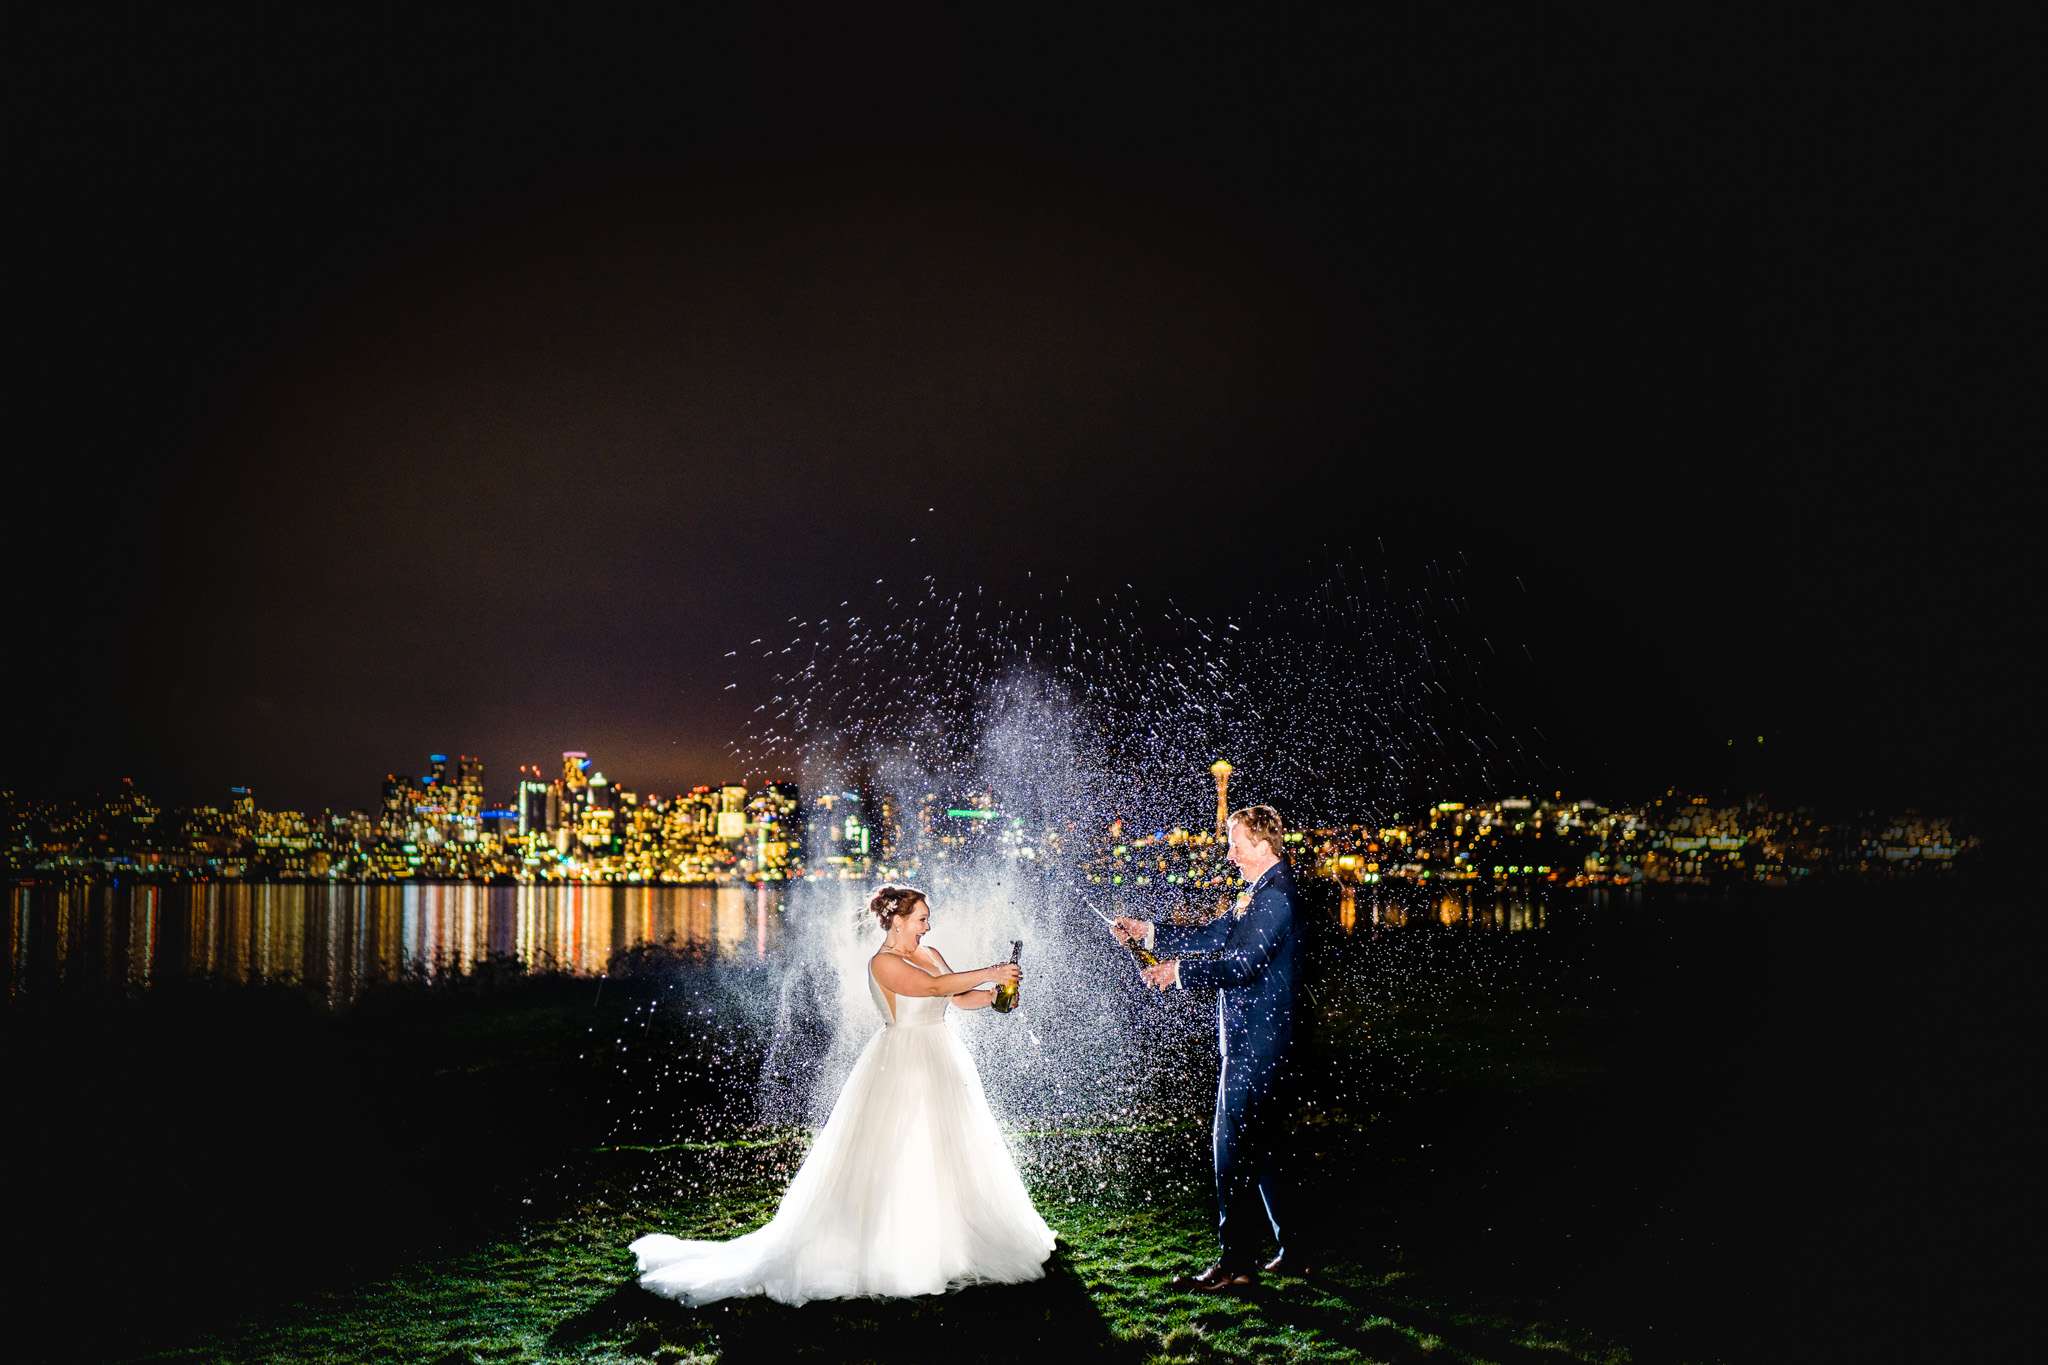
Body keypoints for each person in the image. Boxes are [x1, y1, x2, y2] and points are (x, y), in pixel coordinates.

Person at [631, 885, 1055, 1305]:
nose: (929, 926)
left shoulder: (929, 954)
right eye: (922, 918)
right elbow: (929, 990)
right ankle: (887, 1249)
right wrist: (991, 972)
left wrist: (995, 997)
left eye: (928, 918)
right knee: (894, 1152)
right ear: (897, 920)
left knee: (948, 1149)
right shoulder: (883, 962)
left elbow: (954, 996)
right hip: (902, 1062)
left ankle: (952, 1242)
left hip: (942, 1057)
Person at [1113, 803, 1304, 1291]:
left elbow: (1241, 964)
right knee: (1260, 1147)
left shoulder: (1276, 897)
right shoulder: (1256, 892)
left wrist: (1178, 972)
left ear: (1262, 845)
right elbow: (1213, 935)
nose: (1230, 853)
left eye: (1236, 843)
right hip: (1255, 1039)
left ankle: (1235, 1263)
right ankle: (1296, 1249)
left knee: (1231, 1147)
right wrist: (1149, 931)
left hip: (1255, 1042)